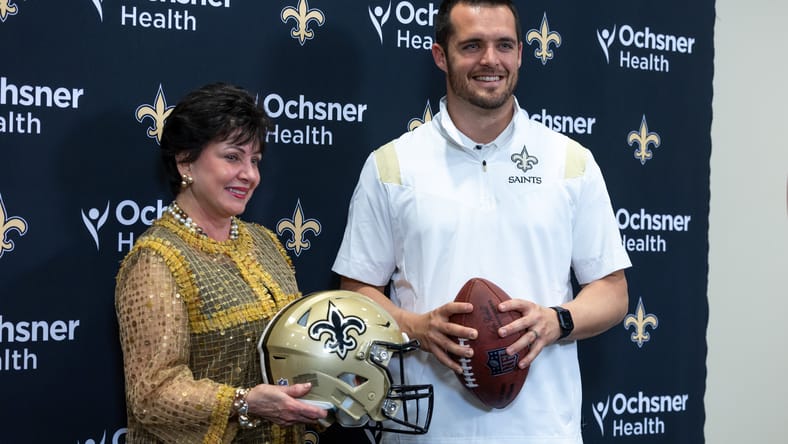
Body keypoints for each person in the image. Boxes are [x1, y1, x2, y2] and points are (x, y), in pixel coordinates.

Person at [332, 1, 631, 443]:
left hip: (542, 429)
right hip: (427, 432)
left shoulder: (571, 161)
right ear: (440, 55)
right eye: (472, 45)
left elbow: (612, 291)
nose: (490, 60)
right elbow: (356, 291)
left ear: (521, 55)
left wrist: (557, 321)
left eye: (504, 45)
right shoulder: (392, 164)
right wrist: (416, 327)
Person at [115, 82, 327, 444]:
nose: (250, 174)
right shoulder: (156, 260)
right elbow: (151, 395)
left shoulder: (265, 243)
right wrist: (244, 403)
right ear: (186, 162)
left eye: (255, 160)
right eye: (232, 157)